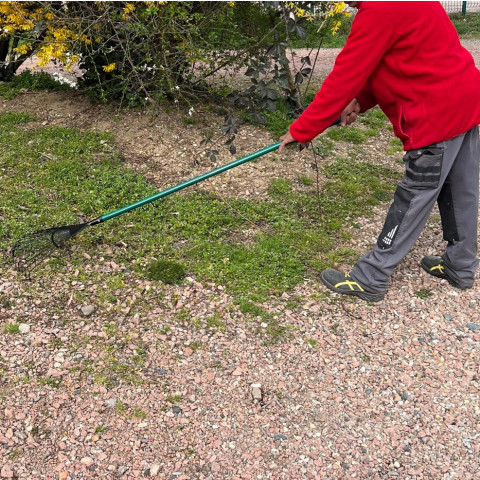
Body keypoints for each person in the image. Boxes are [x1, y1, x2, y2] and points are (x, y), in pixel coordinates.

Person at [279, 1, 480, 302]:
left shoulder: (379, 10)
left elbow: (343, 77)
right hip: (465, 101)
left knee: (414, 194)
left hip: (434, 115)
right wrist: (360, 100)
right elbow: (401, 58)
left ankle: (371, 277)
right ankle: (461, 266)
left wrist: (302, 130)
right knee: (460, 189)